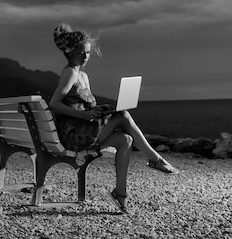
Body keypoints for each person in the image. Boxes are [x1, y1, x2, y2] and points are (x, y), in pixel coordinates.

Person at [49, 23, 178, 213]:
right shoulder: (70, 73)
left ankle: (120, 193)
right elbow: (54, 103)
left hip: (85, 128)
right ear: (69, 52)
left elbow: (83, 103)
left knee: (126, 139)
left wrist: (96, 109)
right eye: (81, 53)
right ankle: (155, 159)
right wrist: (84, 114)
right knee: (123, 115)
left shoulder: (83, 75)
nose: (85, 57)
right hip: (73, 135)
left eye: (88, 53)